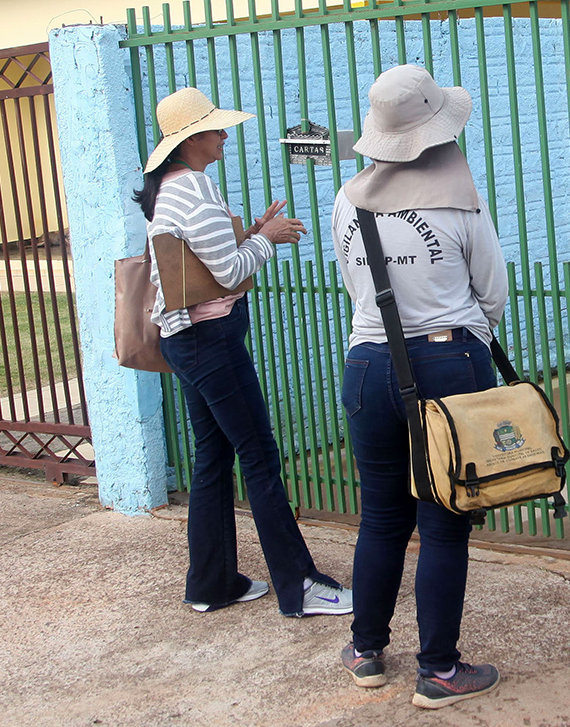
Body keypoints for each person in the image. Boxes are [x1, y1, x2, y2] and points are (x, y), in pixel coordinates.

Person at [134, 86, 352, 618]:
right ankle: (299, 586)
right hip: (211, 342)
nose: (225, 136)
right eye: (216, 129)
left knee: (212, 457)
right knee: (258, 455)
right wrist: (268, 239)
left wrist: (252, 230)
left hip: (188, 340)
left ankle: (211, 583)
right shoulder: (192, 189)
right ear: (192, 140)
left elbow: (205, 260)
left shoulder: (171, 188)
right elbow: (229, 272)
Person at [330, 65, 509, 708]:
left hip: (368, 364)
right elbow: (492, 293)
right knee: (443, 522)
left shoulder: (349, 198)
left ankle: (366, 649)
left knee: (380, 515)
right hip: (446, 363)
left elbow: (356, 283)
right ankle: (437, 670)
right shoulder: (459, 197)